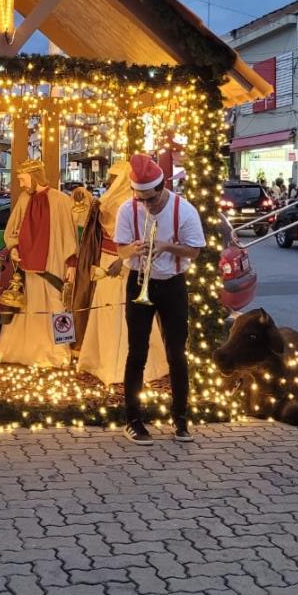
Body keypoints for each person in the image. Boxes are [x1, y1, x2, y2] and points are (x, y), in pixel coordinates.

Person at [114, 154, 205, 445]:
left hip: (172, 285)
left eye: (150, 200)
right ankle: (134, 420)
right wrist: (134, 249)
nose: (146, 206)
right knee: (136, 353)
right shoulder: (128, 210)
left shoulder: (185, 210)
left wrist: (166, 246)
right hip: (139, 282)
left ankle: (180, 419)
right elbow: (120, 251)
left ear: (163, 188)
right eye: (140, 199)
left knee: (177, 354)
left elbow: (194, 252)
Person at [77, 160, 168, 384]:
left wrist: (123, 260)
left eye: (112, 177)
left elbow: (139, 238)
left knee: (120, 313)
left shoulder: (130, 205)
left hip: (121, 262)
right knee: (105, 311)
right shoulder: (109, 201)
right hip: (107, 258)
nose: (108, 181)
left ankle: (119, 366)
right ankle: (101, 359)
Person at [0, 159, 78, 367]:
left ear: (34, 177)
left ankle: (60, 353)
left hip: (53, 264)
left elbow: (70, 235)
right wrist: (13, 248)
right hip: (26, 265)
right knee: (27, 308)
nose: (22, 185)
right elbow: (13, 228)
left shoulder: (61, 200)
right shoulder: (24, 199)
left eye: (23, 180)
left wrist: (71, 263)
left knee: (57, 306)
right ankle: (23, 351)